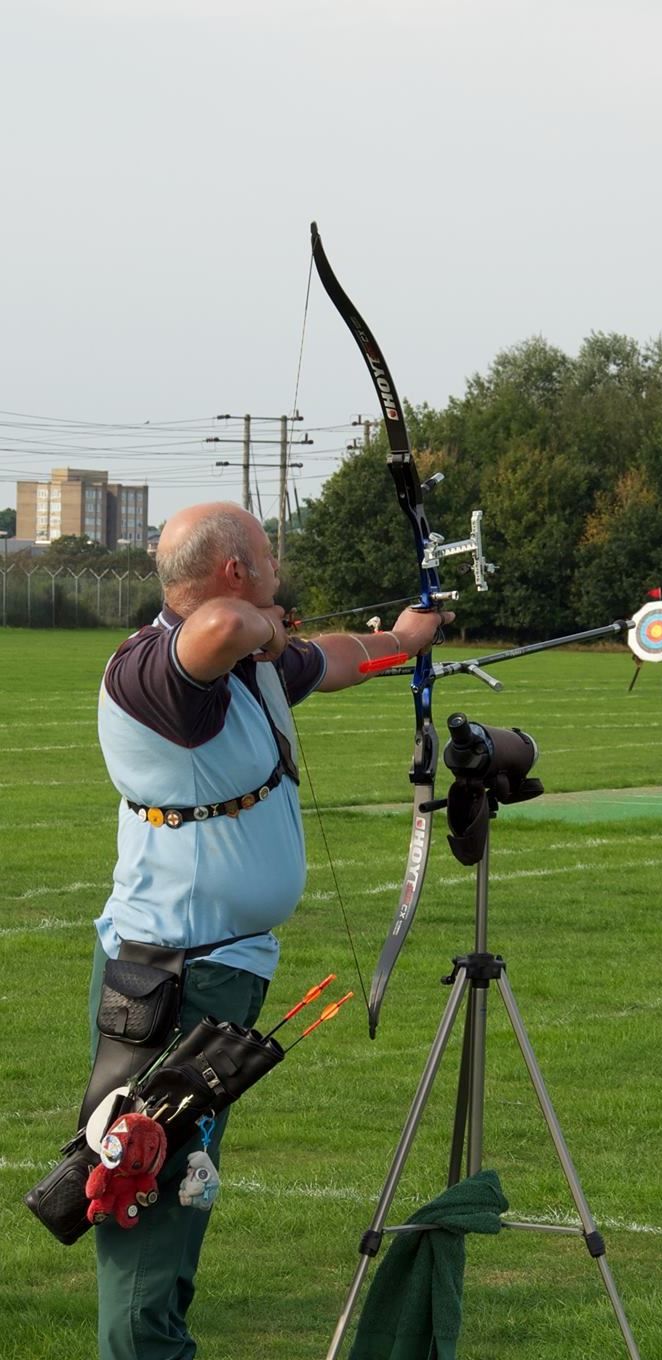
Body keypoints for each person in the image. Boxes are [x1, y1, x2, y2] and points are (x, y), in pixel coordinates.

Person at [89, 501, 449, 1360]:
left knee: (186, 1185)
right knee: (147, 1178)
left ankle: (158, 1340)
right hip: (169, 981)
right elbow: (217, 625)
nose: (280, 574)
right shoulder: (160, 671)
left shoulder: (243, 668)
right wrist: (264, 632)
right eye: (268, 561)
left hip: (218, 973)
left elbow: (340, 660)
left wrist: (408, 637)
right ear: (236, 570)